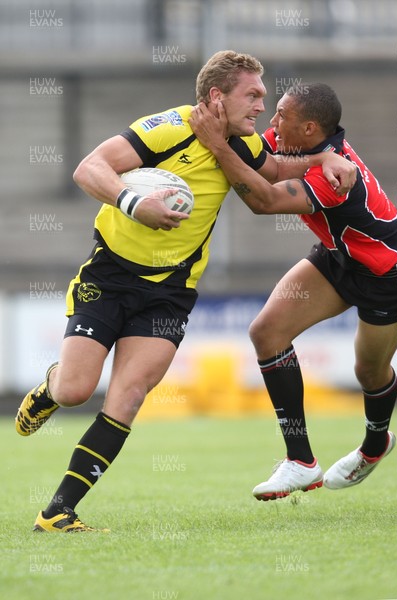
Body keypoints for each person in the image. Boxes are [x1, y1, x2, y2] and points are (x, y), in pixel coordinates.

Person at [16, 52, 356, 532]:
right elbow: (89, 168)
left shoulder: (241, 142)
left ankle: (57, 512)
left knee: (129, 395)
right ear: (216, 96)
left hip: (170, 291)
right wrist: (134, 203)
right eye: (253, 94)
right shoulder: (167, 128)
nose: (262, 105)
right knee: (75, 390)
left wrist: (325, 155)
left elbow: (277, 168)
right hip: (110, 277)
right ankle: (51, 387)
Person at [189, 82, 397, 500]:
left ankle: (375, 447)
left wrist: (218, 145)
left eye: (282, 115)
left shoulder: (334, 178)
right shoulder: (302, 144)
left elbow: (263, 199)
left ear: (310, 128)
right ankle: (301, 461)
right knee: (267, 333)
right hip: (341, 257)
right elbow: (264, 161)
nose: (272, 121)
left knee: (368, 372)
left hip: (390, 274)